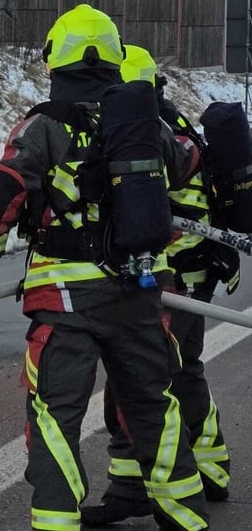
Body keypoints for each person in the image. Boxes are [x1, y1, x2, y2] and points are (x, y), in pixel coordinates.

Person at [0, 4, 209, 531]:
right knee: (154, 406)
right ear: (114, 61)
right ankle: (186, 517)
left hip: (64, 302)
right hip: (138, 294)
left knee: (55, 418)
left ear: (56, 60)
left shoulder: (43, 126)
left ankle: (56, 523)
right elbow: (188, 162)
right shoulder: (142, 126)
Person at [80, 45, 236, 527]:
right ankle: (206, 470)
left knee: (147, 381)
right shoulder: (174, 126)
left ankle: (152, 488)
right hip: (191, 276)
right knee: (182, 372)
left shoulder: (149, 134)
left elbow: (152, 213)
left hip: (174, 280)